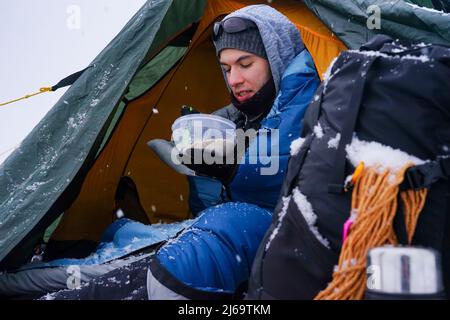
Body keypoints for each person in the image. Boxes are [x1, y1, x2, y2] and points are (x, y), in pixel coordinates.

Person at [30, 4, 320, 300]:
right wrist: (196, 160)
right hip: (231, 240)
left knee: (218, 229)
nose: (233, 80)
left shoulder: (305, 91)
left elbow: (278, 177)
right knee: (127, 235)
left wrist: (228, 165)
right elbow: (220, 198)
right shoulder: (243, 114)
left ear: (275, 56)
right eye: (227, 68)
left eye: (245, 64)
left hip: (286, 241)